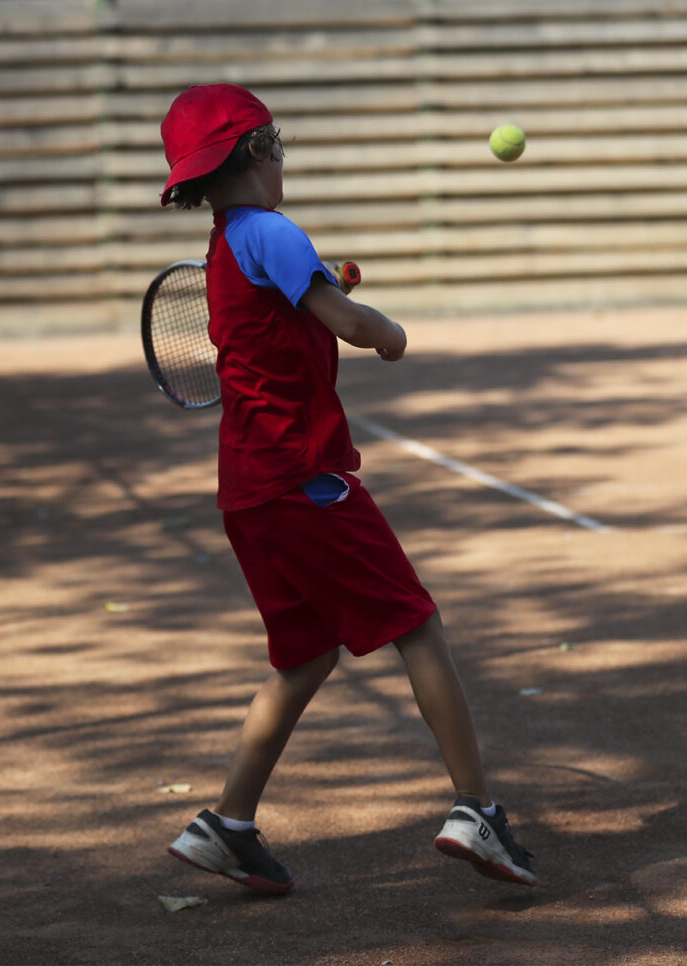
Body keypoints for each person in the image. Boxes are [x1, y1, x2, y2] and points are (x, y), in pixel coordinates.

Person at [158, 83, 536, 895]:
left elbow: (293, 314)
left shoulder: (231, 241)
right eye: (277, 147)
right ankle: (476, 809)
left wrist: (328, 292)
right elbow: (353, 325)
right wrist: (390, 335)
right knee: (417, 624)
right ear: (261, 150)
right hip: (304, 480)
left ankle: (225, 826)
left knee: (304, 657)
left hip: (249, 491)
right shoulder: (272, 230)